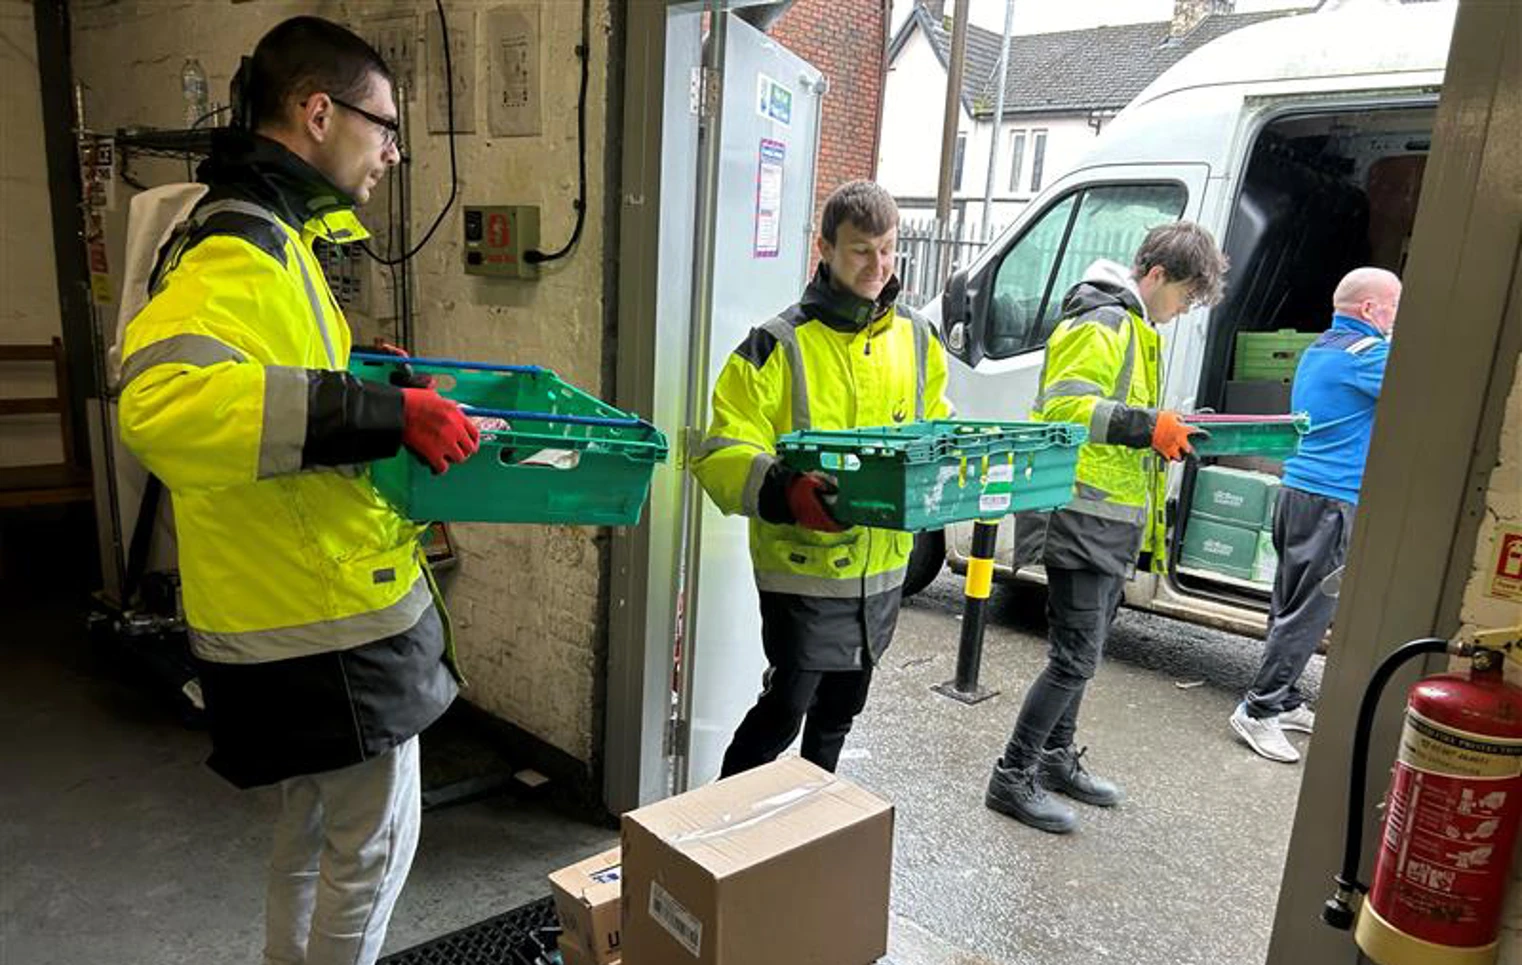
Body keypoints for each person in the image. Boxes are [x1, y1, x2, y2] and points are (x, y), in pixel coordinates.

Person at [117, 17, 480, 965]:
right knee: (372, 847)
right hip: (321, 620)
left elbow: (268, 371)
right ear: (320, 113)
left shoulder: (270, 234)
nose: (392, 154)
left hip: (285, 611)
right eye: (384, 126)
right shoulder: (243, 243)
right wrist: (381, 416)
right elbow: (159, 403)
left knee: (312, 840)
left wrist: (365, 375)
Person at [692, 180, 953, 778]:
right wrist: (786, 491)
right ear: (827, 248)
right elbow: (721, 451)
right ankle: (714, 840)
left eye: (887, 249)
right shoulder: (775, 344)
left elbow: (935, 429)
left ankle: (809, 832)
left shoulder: (917, 338)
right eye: (862, 250)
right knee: (785, 707)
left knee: (842, 709)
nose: (878, 266)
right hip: (803, 567)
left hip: (882, 568)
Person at [986, 222, 1229, 834]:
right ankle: (1011, 777)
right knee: (1073, 659)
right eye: (1184, 297)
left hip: (1105, 520)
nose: (1180, 313)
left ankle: (1055, 758)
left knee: (1084, 656)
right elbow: (1066, 407)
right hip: (1078, 512)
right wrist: (1149, 425)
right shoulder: (1105, 321)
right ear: (1155, 276)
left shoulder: (1133, 327)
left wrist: (1163, 429)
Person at [1229, 267, 1401, 763]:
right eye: (1394, 307)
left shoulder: (1321, 349)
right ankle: (1258, 711)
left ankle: (1283, 700)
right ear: (1371, 310)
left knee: (1289, 605)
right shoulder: (1369, 356)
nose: (1396, 319)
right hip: (1331, 500)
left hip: (1299, 492)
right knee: (1310, 613)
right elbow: (1424, 387)